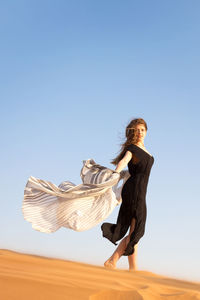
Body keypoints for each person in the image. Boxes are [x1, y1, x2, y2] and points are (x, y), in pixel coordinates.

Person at [101, 118, 154, 270]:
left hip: (140, 192)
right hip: (134, 191)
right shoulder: (132, 149)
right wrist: (115, 173)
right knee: (136, 230)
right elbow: (123, 162)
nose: (140, 133)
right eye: (137, 130)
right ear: (133, 132)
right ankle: (113, 261)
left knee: (134, 231)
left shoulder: (145, 150)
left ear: (146, 131)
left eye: (142, 130)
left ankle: (132, 269)